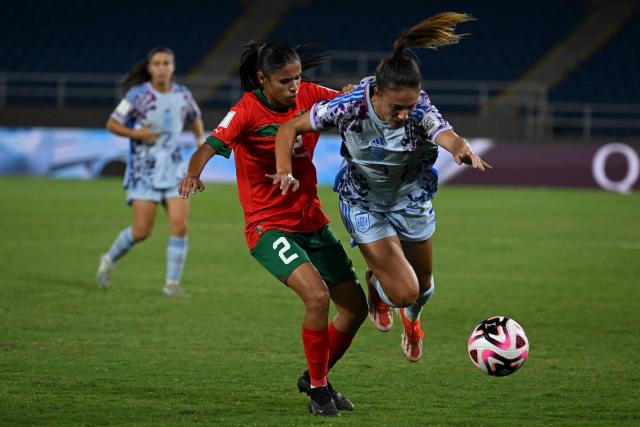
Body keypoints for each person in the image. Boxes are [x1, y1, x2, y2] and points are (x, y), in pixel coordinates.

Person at [273, 12, 491, 362]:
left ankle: (413, 323)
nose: (406, 114)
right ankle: (377, 288)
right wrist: (284, 170)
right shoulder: (348, 107)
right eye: (397, 107)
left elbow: (445, 134)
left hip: (410, 199)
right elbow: (288, 129)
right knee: (404, 291)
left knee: (423, 288)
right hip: (363, 202)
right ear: (376, 93)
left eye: (410, 106)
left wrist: (461, 148)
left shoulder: (420, 110)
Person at [179, 41, 367, 417]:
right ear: (263, 79)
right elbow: (208, 146)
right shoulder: (246, 110)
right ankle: (318, 392)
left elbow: (349, 101)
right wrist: (192, 174)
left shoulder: (311, 94)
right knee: (316, 296)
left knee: (355, 308)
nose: (295, 87)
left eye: (298, 78)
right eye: (285, 81)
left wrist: (352, 93)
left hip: (310, 220)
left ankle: (316, 377)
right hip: (268, 227)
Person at [97, 46, 204, 297]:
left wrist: (200, 140)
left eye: (166, 63)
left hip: (176, 169)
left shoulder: (183, 94)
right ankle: (109, 259)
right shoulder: (137, 95)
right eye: (157, 63)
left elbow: (196, 117)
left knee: (180, 226)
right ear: (149, 68)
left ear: (173, 67)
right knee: (141, 231)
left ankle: (171, 285)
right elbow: (112, 123)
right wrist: (138, 134)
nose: (162, 68)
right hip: (144, 172)